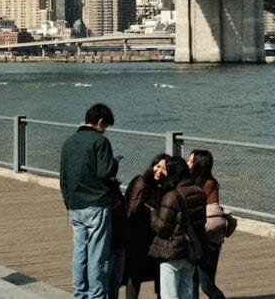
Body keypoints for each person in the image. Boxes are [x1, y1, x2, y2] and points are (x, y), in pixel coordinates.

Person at [59, 103, 120, 299]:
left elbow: (64, 177)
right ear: (101, 122)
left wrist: (69, 202)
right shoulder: (100, 142)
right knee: (97, 255)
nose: (105, 130)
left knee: (80, 252)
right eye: (106, 126)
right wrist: (115, 163)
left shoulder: (69, 141)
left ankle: (79, 293)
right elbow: (105, 171)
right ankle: (96, 295)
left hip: (76, 205)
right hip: (97, 204)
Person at [150, 156, 207, 299]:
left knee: (169, 294)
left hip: (172, 251)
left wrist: (153, 213)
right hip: (190, 249)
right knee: (186, 291)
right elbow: (201, 221)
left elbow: (162, 227)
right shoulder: (198, 191)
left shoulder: (171, 196)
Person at [124, 153, 170, 299]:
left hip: (157, 238)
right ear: (152, 166)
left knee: (160, 274)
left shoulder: (168, 188)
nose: (159, 171)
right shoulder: (139, 182)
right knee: (134, 275)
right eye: (157, 166)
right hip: (137, 236)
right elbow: (128, 205)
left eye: (164, 168)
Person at [188, 150, 226, 299]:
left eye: (191, 161)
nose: (187, 163)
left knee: (207, 284)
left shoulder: (209, 184)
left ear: (199, 164)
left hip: (208, 241)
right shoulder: (190, 181)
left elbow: (213, 213)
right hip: (195, 239)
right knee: (193, 281)